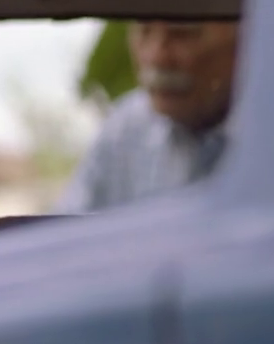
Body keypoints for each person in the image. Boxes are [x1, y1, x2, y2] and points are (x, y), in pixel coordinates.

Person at [57, 18, 240, 213]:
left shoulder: (273, 133)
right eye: (144, 31)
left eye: (183, 34)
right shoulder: (125, 130)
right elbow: (65, 229)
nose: (156, 56)